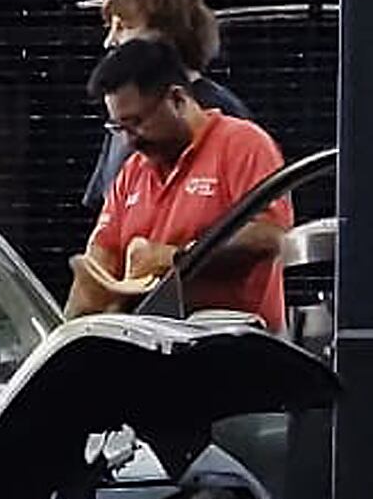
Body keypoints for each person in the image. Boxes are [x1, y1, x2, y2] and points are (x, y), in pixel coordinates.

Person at [67, 37, 293, 327]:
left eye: (136, 122)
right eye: (118, 127)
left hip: (234, 348)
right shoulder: (133, 170)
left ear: (177, 99)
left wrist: (176, 259)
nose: (129, 139)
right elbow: (102, 255)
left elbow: (268, 237)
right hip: (150, 347)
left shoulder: (243, 145)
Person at [83, 0, 253, 213]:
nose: (110, 42)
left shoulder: (230, 120)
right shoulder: (124, 114)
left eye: (124, 27)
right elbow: (106, 208)